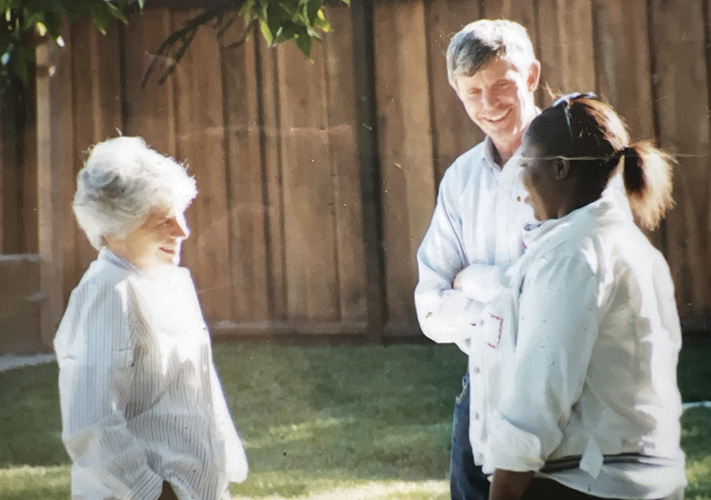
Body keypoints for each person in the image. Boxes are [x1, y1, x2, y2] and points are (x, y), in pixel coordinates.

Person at [466, 94, 686, 500]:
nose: (519, 180)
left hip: (586, 484)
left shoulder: (572, 255)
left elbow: (539, 397)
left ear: (560, 169)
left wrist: (503, 490)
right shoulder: (629, 246)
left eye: (527, 165)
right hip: (642, 478)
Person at [54, 136, 248, 500]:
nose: (182, 231)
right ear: (116, 229)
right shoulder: (109, 293)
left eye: (180, 214)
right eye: (162, 220)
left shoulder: (168, 281)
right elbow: (90, 420)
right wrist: (151, 491)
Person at [414, 19, 539, 499]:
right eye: (473, 92)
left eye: (502, 85)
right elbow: (429, 307)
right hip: (480, 393)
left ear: (530, 76)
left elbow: (559, 293)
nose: (489, 105)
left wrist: (474, 281)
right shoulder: (460, 180)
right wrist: (506, 302)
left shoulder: (570, 166)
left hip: (558, 392)